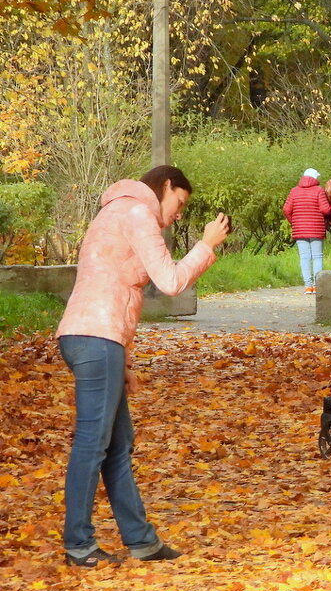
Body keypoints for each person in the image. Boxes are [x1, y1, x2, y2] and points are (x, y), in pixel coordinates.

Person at [56, 165, 230, 567]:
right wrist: (206, 245)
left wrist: (125, 361)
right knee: (93, 444)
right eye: (180, 202)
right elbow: (169, 281)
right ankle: (79, 545)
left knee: (117, 445)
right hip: (97, 337)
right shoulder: (136, 213)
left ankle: (142, 542)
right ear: (165, 186)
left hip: (95, 336)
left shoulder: (114, 212)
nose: (179, 213)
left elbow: (117, 286)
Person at [282, 167, 331, 294]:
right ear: (315, 178)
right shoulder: (319, 190)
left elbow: (286, 210)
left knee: (304, 258)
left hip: (299, 229)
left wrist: (294, 222)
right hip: (316, 229)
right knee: (317, 257)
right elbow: (325, 210)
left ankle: (308, 286)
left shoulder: (294, 191)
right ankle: (317, 286)